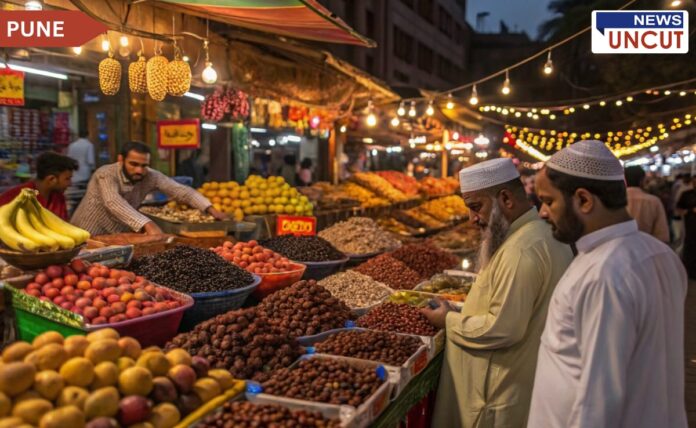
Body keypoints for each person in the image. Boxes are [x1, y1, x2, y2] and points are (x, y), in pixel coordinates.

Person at [528, 140, 687, 428]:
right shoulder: (661, 254)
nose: (542, 212)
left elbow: (599, 401)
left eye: (549, 201)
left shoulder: (604, 272)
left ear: (584, 200)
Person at [420, 158, 573, 428]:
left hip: (497, 394)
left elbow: (503, 328)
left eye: (476, 207)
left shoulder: (521, 250)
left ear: (505, 198)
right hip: (521, 382)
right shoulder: (541, 234)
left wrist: (449, 320)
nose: (472, 219)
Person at [71, 141, 226, 236]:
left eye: (144, 165)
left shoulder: (151, 176)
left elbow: (181, 191)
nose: (139, 170)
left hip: (118, 236)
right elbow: (112, 202)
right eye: (133, 164)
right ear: (120, 160)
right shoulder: (105, 173)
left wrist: (211, 209)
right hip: (87, 234)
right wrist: (147, 224)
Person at [0, 151, 77, 220]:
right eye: (67, 179)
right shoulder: (13, 197)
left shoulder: (59, 198)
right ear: (51, 179)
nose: (70, 183)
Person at [624, 166, 670, 243]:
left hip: (619, 251)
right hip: (647, 249)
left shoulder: (612, 201)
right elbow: (662, 236)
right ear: (642, 180)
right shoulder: (653, 201)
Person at [677, 176, 696, 279]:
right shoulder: (686, 194)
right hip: (690, 226)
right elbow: (679, 208)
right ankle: (689, 271)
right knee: (690, 246)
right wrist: (689, 211)